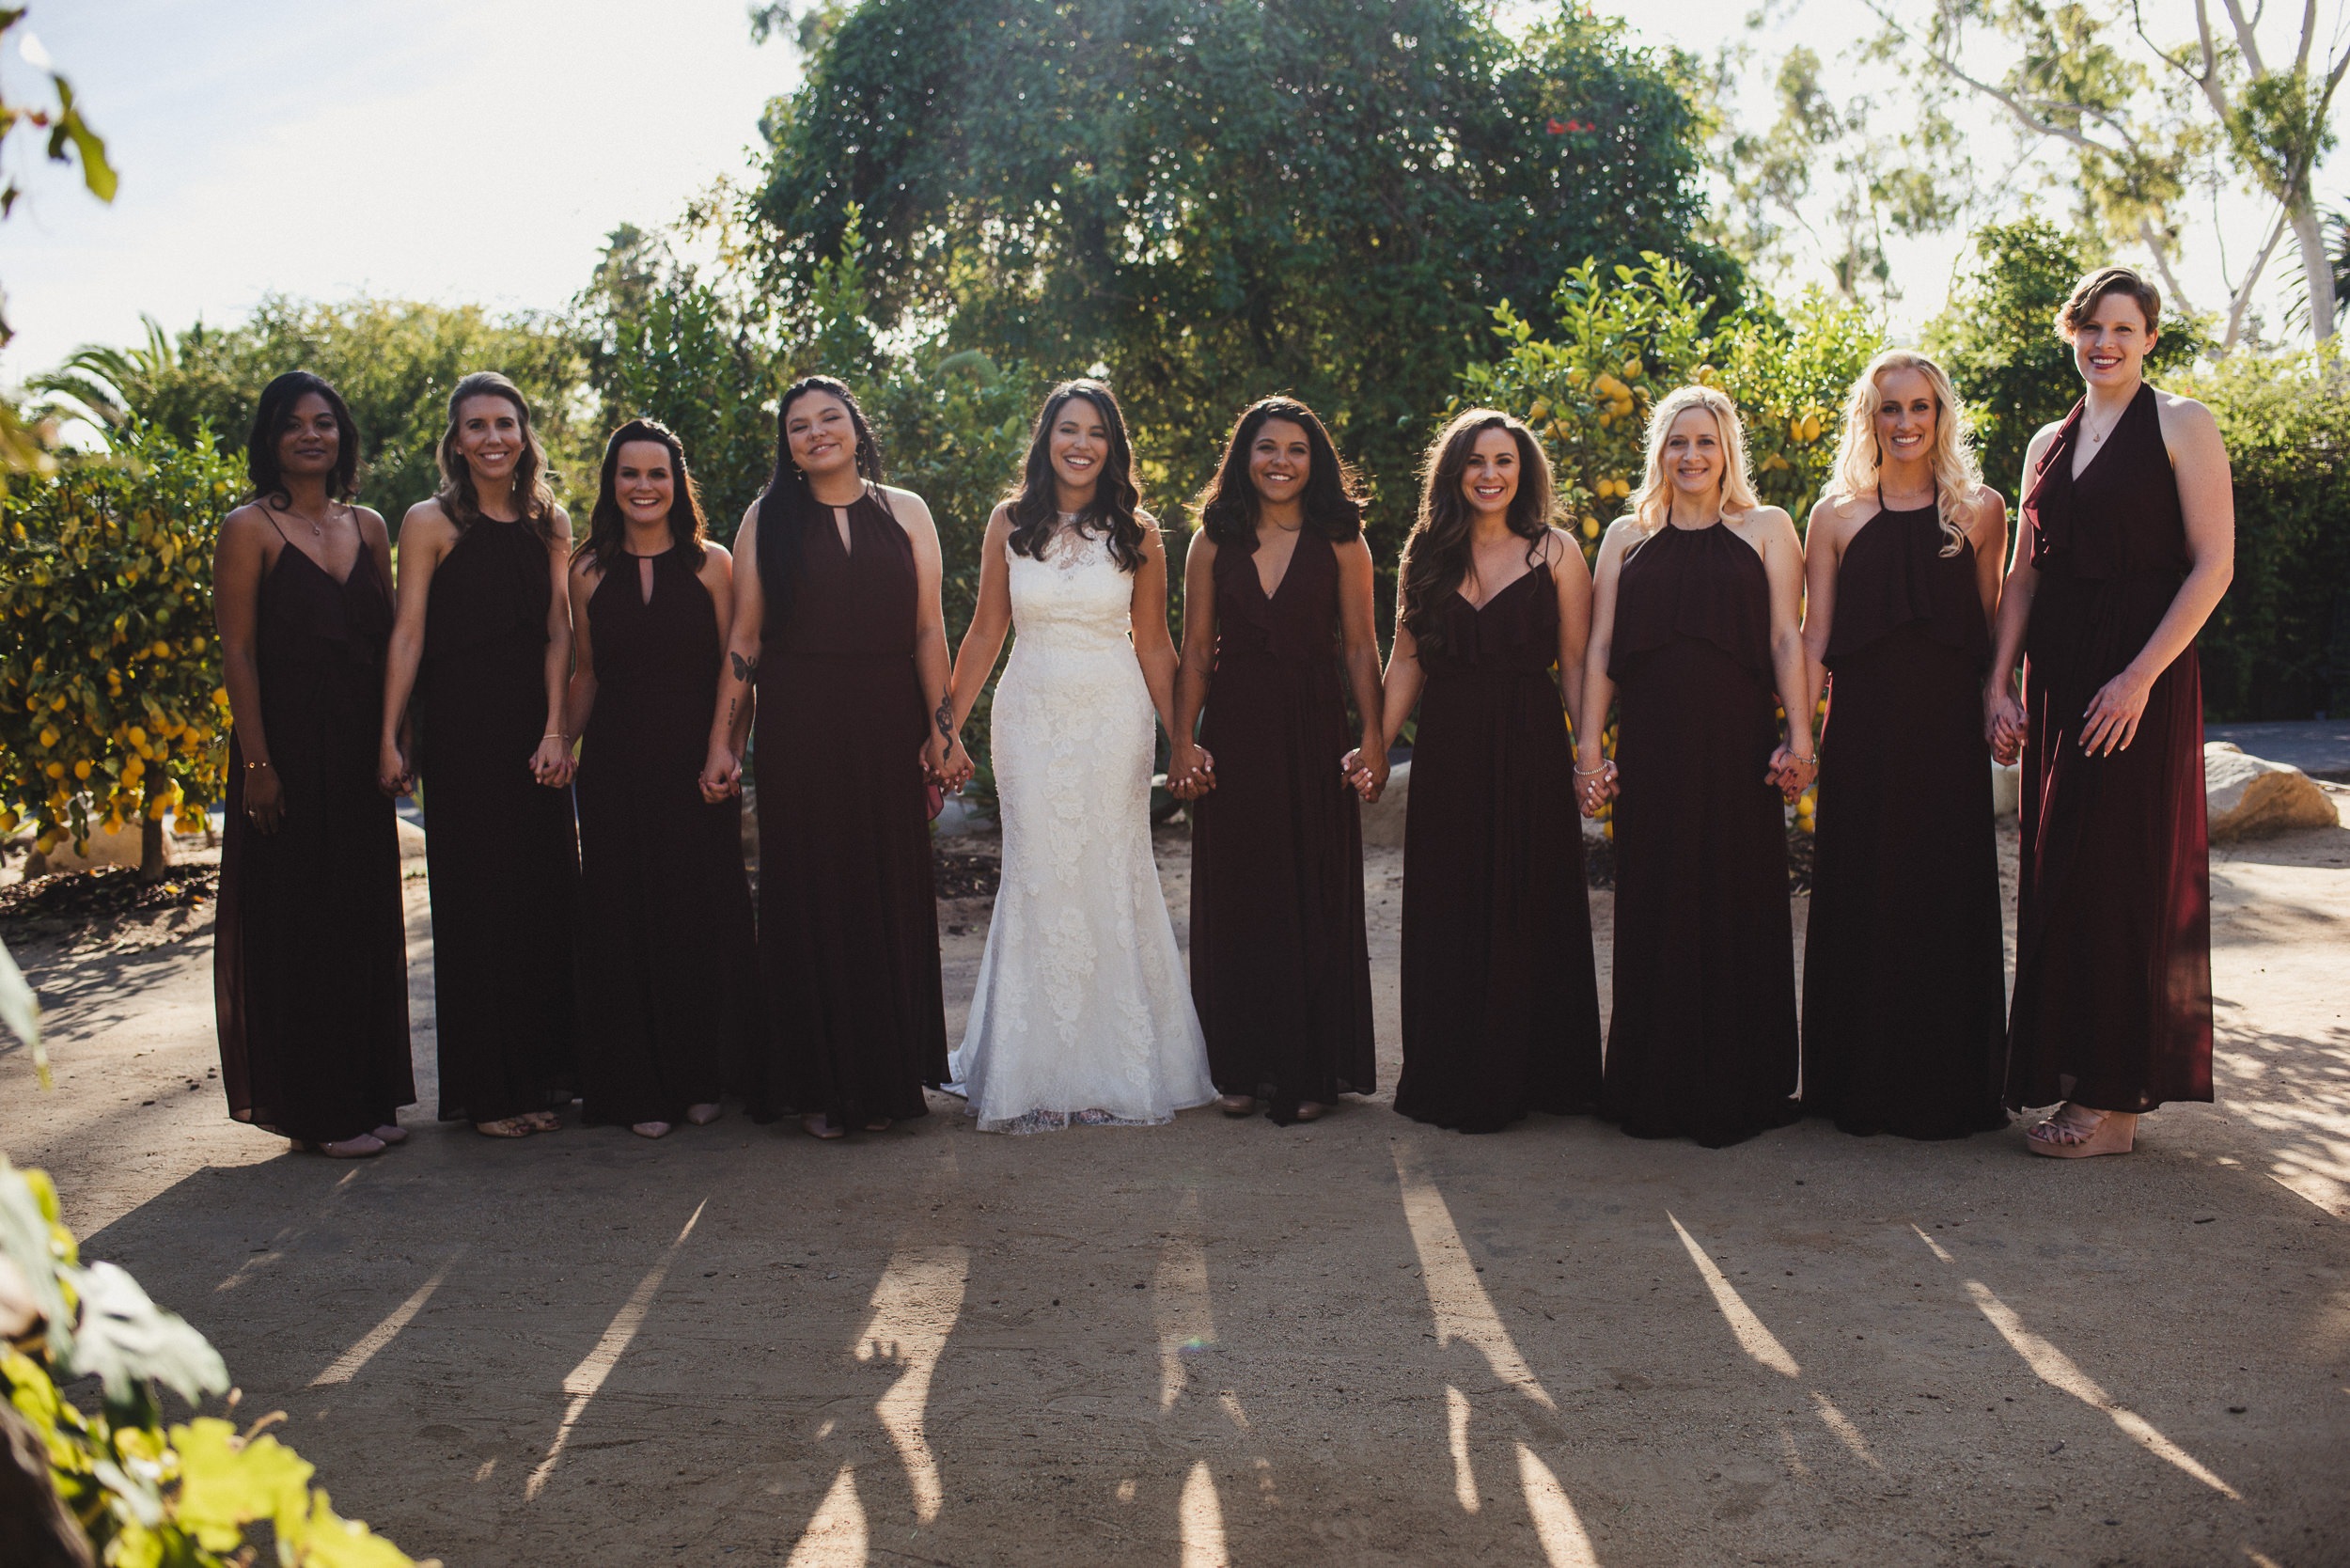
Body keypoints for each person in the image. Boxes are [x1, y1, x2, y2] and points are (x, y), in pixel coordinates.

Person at [1985, 267, 2232, 1158]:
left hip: (2139, 680)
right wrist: (1998, 681)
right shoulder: (2047, 440)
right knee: (2063, 873)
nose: (2106, 343)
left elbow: (2213, 566)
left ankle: (2115, 1106)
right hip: (2058, 676)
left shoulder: (2182, 424)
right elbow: (2023, 573)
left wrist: (2138, 679)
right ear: (2071, 334)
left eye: (2123, 329)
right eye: (2091, 327)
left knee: (2123, 875)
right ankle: (2069, 1076)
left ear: (2150, 338)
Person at [940, 379, 1216, 1133]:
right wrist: (946, 727)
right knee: (1037, 871)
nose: (1081, 443)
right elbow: (984, 634)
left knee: (1106, 867)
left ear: (1113, 445)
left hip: (1112, 716)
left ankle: (1114, 1066)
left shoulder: (1141, 530)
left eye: (1096, 431)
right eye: (1068, 428)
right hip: (1029, 715)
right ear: (1046, 438)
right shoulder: (1009, 522)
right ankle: (1031, 1067)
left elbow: (1155, 644)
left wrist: (1183, 738)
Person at [699, 377, 963, 1140]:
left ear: (856, 426)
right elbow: (745, 640)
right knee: (810, 891)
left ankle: (882, 1083)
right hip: (800, 725)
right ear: (787, 444)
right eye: (798, 426)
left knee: (885, 886)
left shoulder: (907, 511)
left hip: (887, 724)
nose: (816, 434)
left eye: (829, 419)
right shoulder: (765, 517)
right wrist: (724, 740)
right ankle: (816, 1088)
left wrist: (941, 729)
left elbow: (927, 633)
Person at [1577, 385, 1812, 1148]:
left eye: (1706, 441)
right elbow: (1602, 648)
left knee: (1737, 898)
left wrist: (1800, 737)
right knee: (1655, 898)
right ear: (1659, 451)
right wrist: (1589, 747)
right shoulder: (1624, 536)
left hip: (1740, 746)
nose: (1691, 455)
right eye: (1678, 442)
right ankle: (1656, 1080)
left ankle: (1740, 1083)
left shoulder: (1769, 528)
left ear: (1728, 450)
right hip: (1651, 746)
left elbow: (1786, 639)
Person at [1362, 408, 1601, 1134]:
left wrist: (1586, 755)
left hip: (1530, 742)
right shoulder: (1426, 553)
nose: (1490, 474)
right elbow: (1405, 658)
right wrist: (1375, 743)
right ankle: (1452, 1069)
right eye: (1476, 461)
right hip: (1450, 749)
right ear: (1454, 473)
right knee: (1451, 901)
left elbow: (1579, 662)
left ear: (1523, 471)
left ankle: (1539, 1074)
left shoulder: (1556, 552)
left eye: (1503, 460)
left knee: (1530, 898)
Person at [1799, 352, 2010, 1139]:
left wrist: (2001, 702)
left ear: (1941, 414)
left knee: (1940, 892)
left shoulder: (1981, 511)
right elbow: (1814, 640)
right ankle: (1854, 1084)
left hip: (1946, 734)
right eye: (1891, 409)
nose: (1906, 422)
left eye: (1920, 407)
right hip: (1863, 734)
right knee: (1865, 887)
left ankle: (1948, 1087)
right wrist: (1797, 735)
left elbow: (1992, 627)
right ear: (1870, 418)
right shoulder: (1835, 516)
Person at [212, 370, 414, 1158]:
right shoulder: (248, 528)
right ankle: (319, 1113)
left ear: (342, 437)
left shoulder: (368, 526)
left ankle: (367, 1095)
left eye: (324, 422)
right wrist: (257, 761)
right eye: (293, 423)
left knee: (362, 917)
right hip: (286, 750)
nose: (310, 434)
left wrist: (396, 740)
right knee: (301, 925)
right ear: (270, 437)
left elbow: (389, 638)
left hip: (361, 748)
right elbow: (238, 652)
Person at [378, 371, 579, 1139]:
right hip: (459, 732)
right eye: (476, 426)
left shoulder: (550, 522)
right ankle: (491, 1093)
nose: (493, 438)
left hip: (534, 734)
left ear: (525, 434)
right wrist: (390, 733)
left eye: (506, 423)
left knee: (541, 899)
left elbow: (562, 632)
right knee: (477, 907)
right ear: (456, 441)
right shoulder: (428, 521)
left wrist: (558, 727)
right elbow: (409, 632)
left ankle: (544, 1081)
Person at [1170, 398, 1382, 1125]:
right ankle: (1239, 1066)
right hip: (1237, 729)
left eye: (1296, 448)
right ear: (1244, 456)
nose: (1281, 461)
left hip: (1315, 729)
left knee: (1312, 890)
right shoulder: (1212, 540)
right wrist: (1182, 740)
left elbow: (1361, 647)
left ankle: (1308, 1070)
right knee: (1240, 894)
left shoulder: (1343, 540)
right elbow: (1196, 651)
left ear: (1315, 460)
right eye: (1267, 447)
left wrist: (1377, 737)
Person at [566, 420, 758, 1138]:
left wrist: (725, 750)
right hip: (613, 769)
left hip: (694, 766)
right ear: (611, 484)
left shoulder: (712, 564)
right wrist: (561, 740)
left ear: (678, 485)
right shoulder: (584, 569)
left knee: (694, 919)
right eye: (628, 474)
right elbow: (587, 673)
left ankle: (700, 1076)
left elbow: (737, 670)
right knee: (619, 920)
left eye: (657, 474)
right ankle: (635, 1089)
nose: (643, 486)